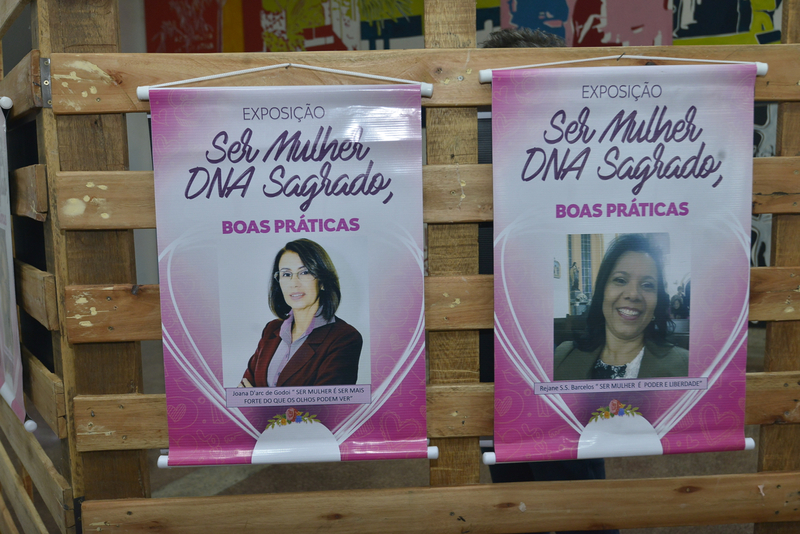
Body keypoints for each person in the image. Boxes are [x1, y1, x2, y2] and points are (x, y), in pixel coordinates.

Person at [480, 27, 618, 534]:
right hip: (505, 346)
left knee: (557, 487)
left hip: (531, 356)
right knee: (531, 491)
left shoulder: (571, 147)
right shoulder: (478, 143)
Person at [555, 234, 689, 380]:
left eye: (647, 285)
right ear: (602, 290)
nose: (633, 294)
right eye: (620, 280)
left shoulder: (685, 367)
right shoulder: (563, 357)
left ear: (657, 301)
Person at [240, 238, 362, 387]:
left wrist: (259, 398)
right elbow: (243, 391)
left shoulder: (345, 338)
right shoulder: (271, 329)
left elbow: (327, 401)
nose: (294, 283)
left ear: (322, 282)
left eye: (304, 272)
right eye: (286, 274)